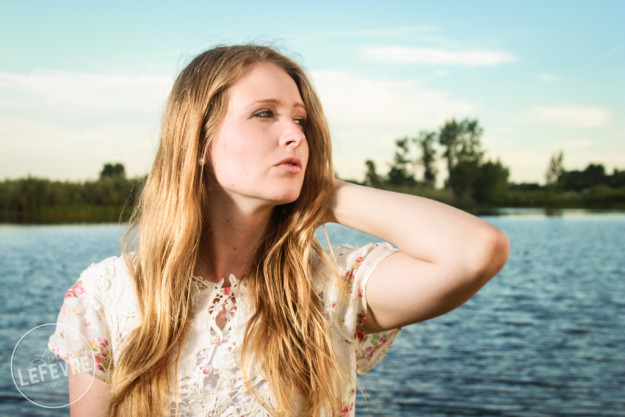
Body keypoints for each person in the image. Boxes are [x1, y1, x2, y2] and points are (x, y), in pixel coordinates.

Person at [48, 44, 509, 417]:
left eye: (300, 120)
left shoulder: (335, 286)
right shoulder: (105, 297)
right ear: (199, 143)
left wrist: (323, 192)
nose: (294, 134)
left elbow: (477, 251)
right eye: (265, 114)